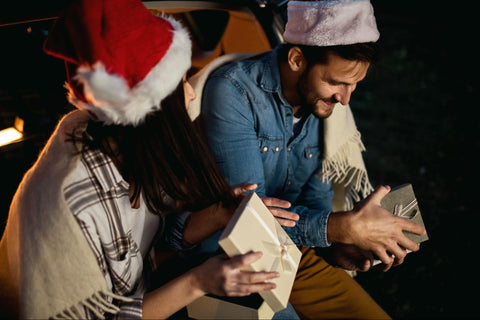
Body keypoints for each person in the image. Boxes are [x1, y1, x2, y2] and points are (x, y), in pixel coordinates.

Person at [0, 0, 300, 319]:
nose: (192, 94)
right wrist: (199, 282)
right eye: (183, 82)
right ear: (151, 107)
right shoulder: (75, 203)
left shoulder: (127, 152)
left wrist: (220, 214)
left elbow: (153, 241)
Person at [197, 0, 427, 319]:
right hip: (232, 261)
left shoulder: (320, 104)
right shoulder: (233, 93)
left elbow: (315, 198)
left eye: (354, 85)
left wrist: (337, 246)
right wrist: (339, 227)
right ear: (296, 59)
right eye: (336, 82)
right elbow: (250, 221)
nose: (345, 99)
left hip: (292, 255)